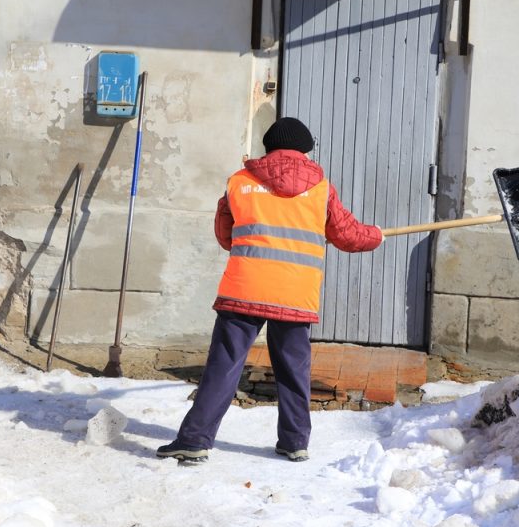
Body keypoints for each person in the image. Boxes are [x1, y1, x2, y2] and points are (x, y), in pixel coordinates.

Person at [157, 117, 383, 464]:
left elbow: (224, 235)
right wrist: (376, 235)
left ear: (268, 146)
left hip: (244, 289)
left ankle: (194, 439)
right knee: (294, 369)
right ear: (306, 148)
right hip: (295, 294)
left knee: (223, 366)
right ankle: (294, 442)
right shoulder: (321, 187)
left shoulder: (239, 181)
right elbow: (348, 235)